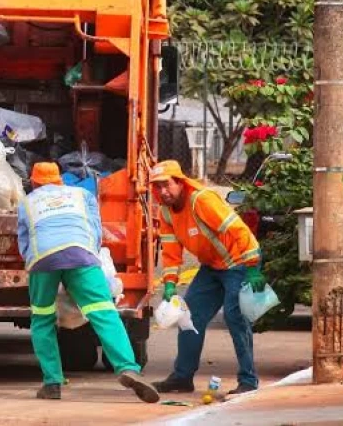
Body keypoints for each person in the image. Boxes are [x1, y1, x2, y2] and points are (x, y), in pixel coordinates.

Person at [18, 162, 160, 403]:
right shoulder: (82, 194)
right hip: (81, 254)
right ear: (60, 181)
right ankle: (128, 367)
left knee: (42, 319)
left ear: (34, 183)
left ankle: (52, 383)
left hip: (43, 259)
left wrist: (34, 263)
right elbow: (95, 230)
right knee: (104, 313)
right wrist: (88, 259)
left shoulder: (27, 202)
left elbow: (24, 239)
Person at [149, 160, 265, 395]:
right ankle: (182, 378)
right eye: (157, 187)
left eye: (166, 185)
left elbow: (240, 231)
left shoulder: (202, 200)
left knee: (235, 317)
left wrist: (252, 267)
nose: (162, 191)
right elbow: (171, 253)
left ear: (180, 182)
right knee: (188, 317)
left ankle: (248, 381)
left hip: (239, 262)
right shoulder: (165, 211)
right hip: (212, 267)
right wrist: (170, 284)